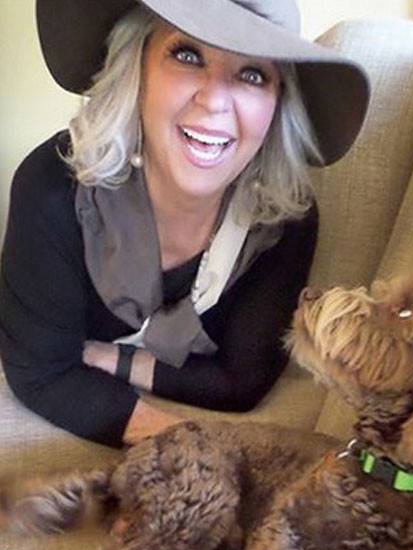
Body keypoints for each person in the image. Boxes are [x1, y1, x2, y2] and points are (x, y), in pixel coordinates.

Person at [0, 0, 369, 447]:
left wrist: (115, 361)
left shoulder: (285, 222)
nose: (214, 100)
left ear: (277, 106)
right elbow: (40, 372)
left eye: (253, 74)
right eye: (188, 55)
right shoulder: (52, 188)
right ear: (136, 72)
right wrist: (194, 449)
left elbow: (242, 382)